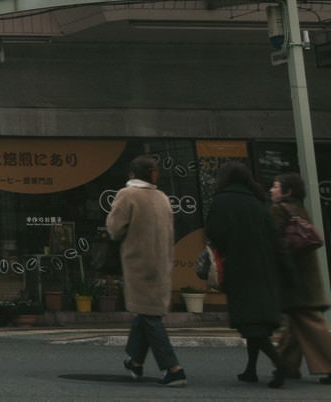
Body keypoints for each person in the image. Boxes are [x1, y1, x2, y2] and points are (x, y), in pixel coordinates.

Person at [105, 154, 188, 387]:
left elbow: (114, 228)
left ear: (132, 174)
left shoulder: (128, 194)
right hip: (161, 262)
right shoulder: (161, 197)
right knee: (145, 312)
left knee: (149, 317)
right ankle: (135, 361)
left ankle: (173, 368)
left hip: (139, 263)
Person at [206, 161, 287, 387]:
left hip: (239, 268)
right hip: (264, 268)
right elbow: (275, 238)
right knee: (255, 322)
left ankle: (280, 364)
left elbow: (214, 232)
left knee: (250, 324)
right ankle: (250, 369)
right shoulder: (259, 202)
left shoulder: (221, 201)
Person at [270, 172, 331, 383]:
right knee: (296, 324)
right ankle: (286, 365)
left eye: (276, 186)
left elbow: (274, 242)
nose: (272, 190)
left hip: (296, 281)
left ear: (287, 191)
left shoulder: (279, 210)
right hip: (306, 278)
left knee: (311, 323)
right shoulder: (300, 210)